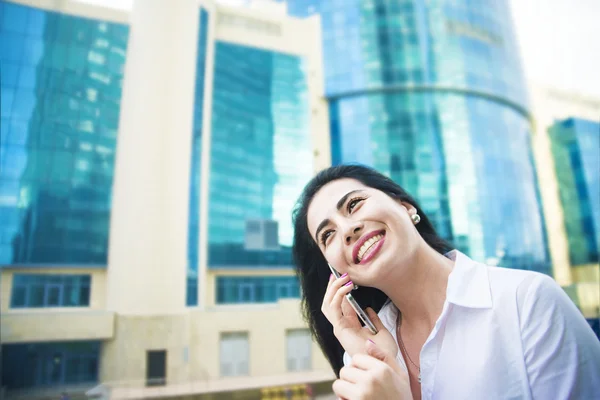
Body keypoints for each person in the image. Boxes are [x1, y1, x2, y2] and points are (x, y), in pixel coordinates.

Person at [291, 164, 600, 400]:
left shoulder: (527, 301)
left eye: (354, 204)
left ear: (405, 206)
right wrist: (366, 357)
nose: (346, 229)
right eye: (327, 235)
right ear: (335, 270)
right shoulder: (363, 354)